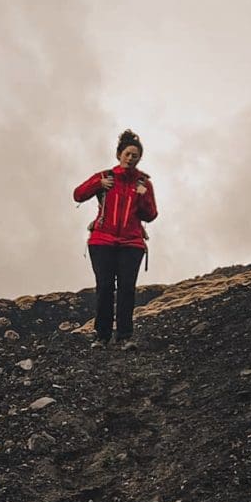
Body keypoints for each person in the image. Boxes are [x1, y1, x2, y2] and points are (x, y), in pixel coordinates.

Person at [73, 131, 158, 348]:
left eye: (135, 156)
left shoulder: (144, 183)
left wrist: (143, 195)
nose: (131, 158)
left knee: (127, 288)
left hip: (131, 243)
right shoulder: (105, 176)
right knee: (105, 287)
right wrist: (98, 185)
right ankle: (101, 337)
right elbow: (78, 194)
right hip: (102, 241)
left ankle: (124, 337)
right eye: (128, 154)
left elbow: (151, 215)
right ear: (119, 154)